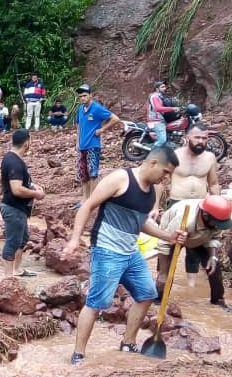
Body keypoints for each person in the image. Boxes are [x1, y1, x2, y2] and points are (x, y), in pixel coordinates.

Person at [61, 146, 185, 365]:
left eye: (170, 174)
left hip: (131, 251)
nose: (166, 178)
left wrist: (169, 237)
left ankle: (128, 343)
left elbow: (142, 222)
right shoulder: (121, 178)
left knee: (147, 294)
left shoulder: (152, 191)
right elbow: (87, 205)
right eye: (166, 172)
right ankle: (78, 354)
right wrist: (74, 239)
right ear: (153, 162)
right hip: (107, 250)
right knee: (97, 302)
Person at [154, 195, 232, 312]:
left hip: (201, 237)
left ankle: (217, 301)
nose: (218, 226)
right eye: (216, 223)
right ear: (205, 215)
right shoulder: (185, 219)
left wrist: (213, 256)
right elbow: (164, 243)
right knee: (165, 273)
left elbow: (215, 237)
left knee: (214, 267)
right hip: (174, 236)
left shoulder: (217, 220)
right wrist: (162, 273)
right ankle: (158, 300)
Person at [0, 129, 46, 278]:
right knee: (12, 242)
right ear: (26, 143)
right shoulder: (14, 162)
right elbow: (16, 189)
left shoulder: (12, 158)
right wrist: (36, 194)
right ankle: (8, 279)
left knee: (23, 238)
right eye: (30, 140)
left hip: (18, 209)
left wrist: (33, 186)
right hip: (14, 208)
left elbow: (22, 182)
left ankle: (17, 270)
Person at [73, 84, 122, 205]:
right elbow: (78, 125)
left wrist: (102, 130)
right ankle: (84, 199)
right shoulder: (80, 109)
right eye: (80, 96)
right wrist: (77, 141)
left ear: (90, 95)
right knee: (82, 174)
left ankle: (93, 199)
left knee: (93, 173)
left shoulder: (97, 108)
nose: (83, 98)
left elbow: (115, 118)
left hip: (93, 145)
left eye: (85, 96)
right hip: (82, 146)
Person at [155, 123, 221, 210]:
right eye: (197, 137)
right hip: (178, 203)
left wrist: (218, 205)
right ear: (187, 137)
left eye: (204, 138)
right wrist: (155, 207)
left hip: (200, 204)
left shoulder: (210, 158)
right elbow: (160, 184)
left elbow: (213, 184)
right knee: (180, 224)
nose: (201, 141)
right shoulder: (174, 156)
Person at [147, 81, 172, 147]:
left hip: (161, 120)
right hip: (156, 121)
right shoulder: (154, 96)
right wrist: (173, 108)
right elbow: (158, 108)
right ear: (157, 89)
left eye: (165, 87)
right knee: (162, 140)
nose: (165, 88)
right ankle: (152, 153)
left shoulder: (160, 96)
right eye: (162, 87)